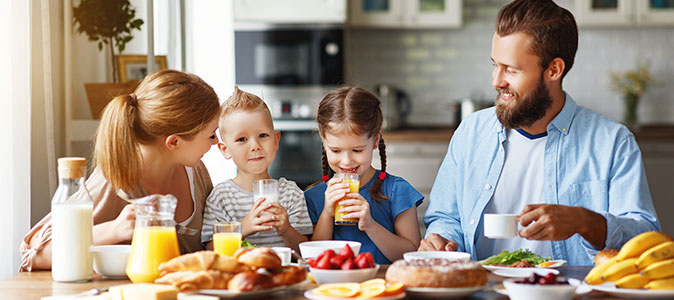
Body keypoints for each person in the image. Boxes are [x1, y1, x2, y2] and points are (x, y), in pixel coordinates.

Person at [420, 0, 660, 266]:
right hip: (481, 290)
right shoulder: (471, 132)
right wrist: (441, 239)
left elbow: (645, 239)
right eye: (494, 65)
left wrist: (586, 222)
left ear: (554, 70)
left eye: (511, 69)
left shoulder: (612, 142)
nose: (496, 81)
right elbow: (446, 217)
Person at [20, 69, 221, 271]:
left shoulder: (196, 173)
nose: (217, 142)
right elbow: (33, 253)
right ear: (174, 142)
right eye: (211, 135)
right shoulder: (114, 179)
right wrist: (113, 229)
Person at [304, 86, 423, 264]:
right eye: (335, 150)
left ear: (375, 141)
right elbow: (313, 260)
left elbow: (411, 256)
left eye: (357, 150)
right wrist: (327, 214)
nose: (346, 161)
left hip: (384, 287)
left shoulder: (398, 191)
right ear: (323, 140)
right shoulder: (313, 197)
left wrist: (370, 225)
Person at [201, 87, 312, 254]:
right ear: (225, 149)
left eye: (263, 136)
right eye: (242, 139)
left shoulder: (291, 193)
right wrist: (242, 229)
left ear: (276, 140)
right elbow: (210, 250)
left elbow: (305, 250)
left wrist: (287, 229)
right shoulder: (221, 197)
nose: (255, 146)